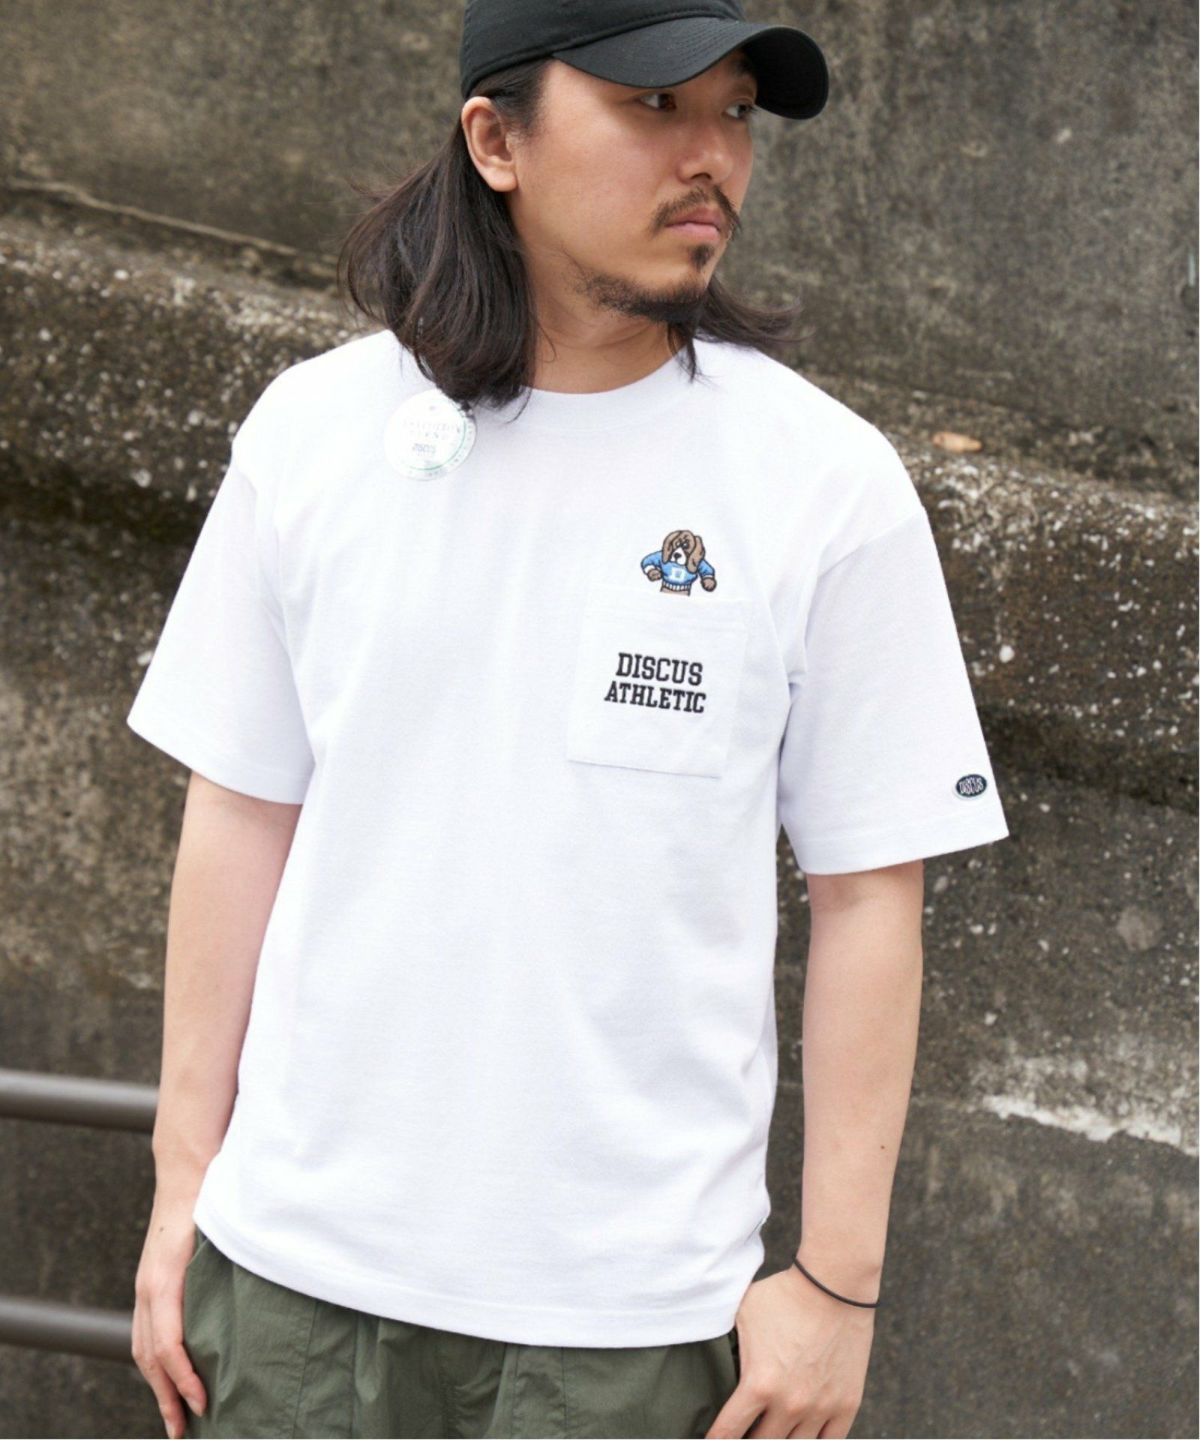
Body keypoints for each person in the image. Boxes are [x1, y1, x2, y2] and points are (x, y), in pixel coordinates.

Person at [127, 1, 1011, 1437]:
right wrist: (183, 1187)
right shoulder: (316, 431)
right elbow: (239, 808)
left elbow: (869, 894)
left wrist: (837, 1286)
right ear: (497, 141)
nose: (711, 155)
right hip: (289, 1288)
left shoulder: (823, 483)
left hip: (628, 1329)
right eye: (655, 105)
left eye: (735, 111)